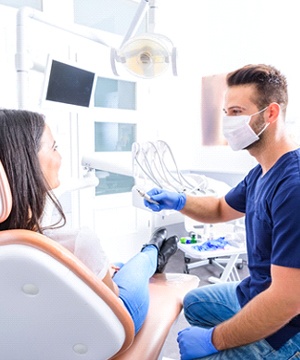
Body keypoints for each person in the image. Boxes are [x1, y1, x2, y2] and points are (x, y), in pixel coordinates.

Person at [144, 64, 300, 359]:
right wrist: (178, 201)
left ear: (271, 113)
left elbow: (287, 301)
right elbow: (219, 208)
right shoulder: (261, 173)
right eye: (226, 113)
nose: (228, 123)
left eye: (237, 112)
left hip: (288, 330)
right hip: (254, 292)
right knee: (192, 303)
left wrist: (215, 340)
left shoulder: (293, 187)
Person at [0, 108, 178, 336]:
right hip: (106, 333)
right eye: (54, 148)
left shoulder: (11, 246)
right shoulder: (77, 240)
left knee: (118, 267)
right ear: (26, 161)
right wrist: (105, 276)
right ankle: (153, 251)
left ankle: (127, 263)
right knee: (138, 268)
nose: (60, 157)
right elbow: (112, 297)